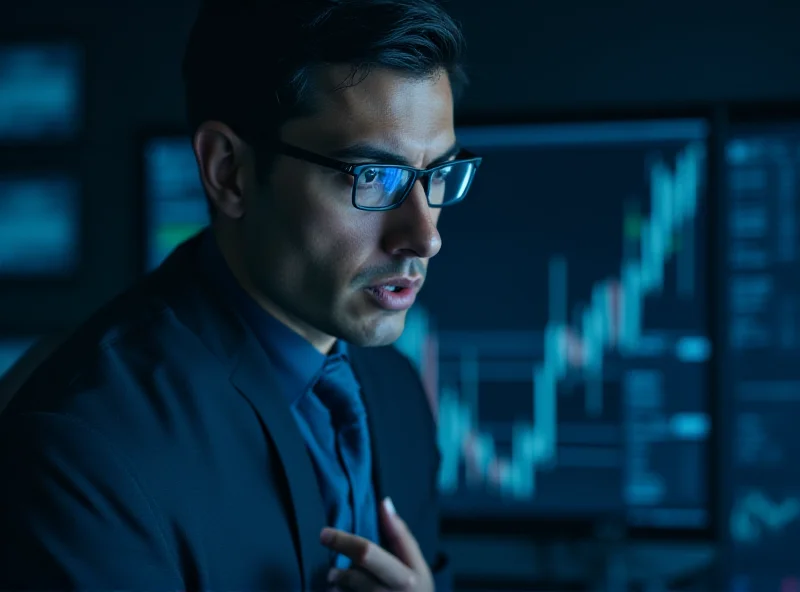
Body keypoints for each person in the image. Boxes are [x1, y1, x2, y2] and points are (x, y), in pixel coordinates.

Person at [0, 0, 481, 589]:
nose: (426, 237)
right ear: (228, 170)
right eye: (372, 177)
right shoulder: (82, 449)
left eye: (438, 173)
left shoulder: (396, 391)